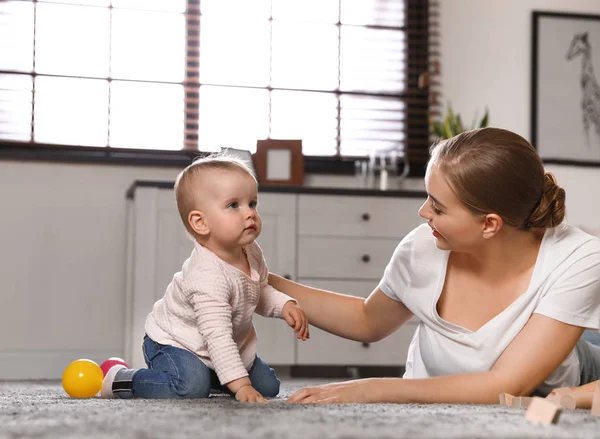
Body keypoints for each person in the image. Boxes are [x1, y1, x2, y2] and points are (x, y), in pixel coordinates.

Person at [269, 127, 600, 404]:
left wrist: (371, 388)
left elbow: (507, 385)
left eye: (438, 208)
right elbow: (368, 320)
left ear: (489, 225)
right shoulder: (422, 246)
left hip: (567, 370)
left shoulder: (577, 257)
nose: (423, 213)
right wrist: (261, 282)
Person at [102, 155, 309, 402]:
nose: (250, 214)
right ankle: (121, 379)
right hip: (175, 343)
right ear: (200, 222)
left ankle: (218, 373)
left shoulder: (251, 251)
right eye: (234, 205)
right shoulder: (207, 276)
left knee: (268, 387)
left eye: (252, 203)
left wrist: (284, 304)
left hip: (222, 345)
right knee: (191, 388)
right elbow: (217, 336)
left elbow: (258, 291)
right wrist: (241, 386)